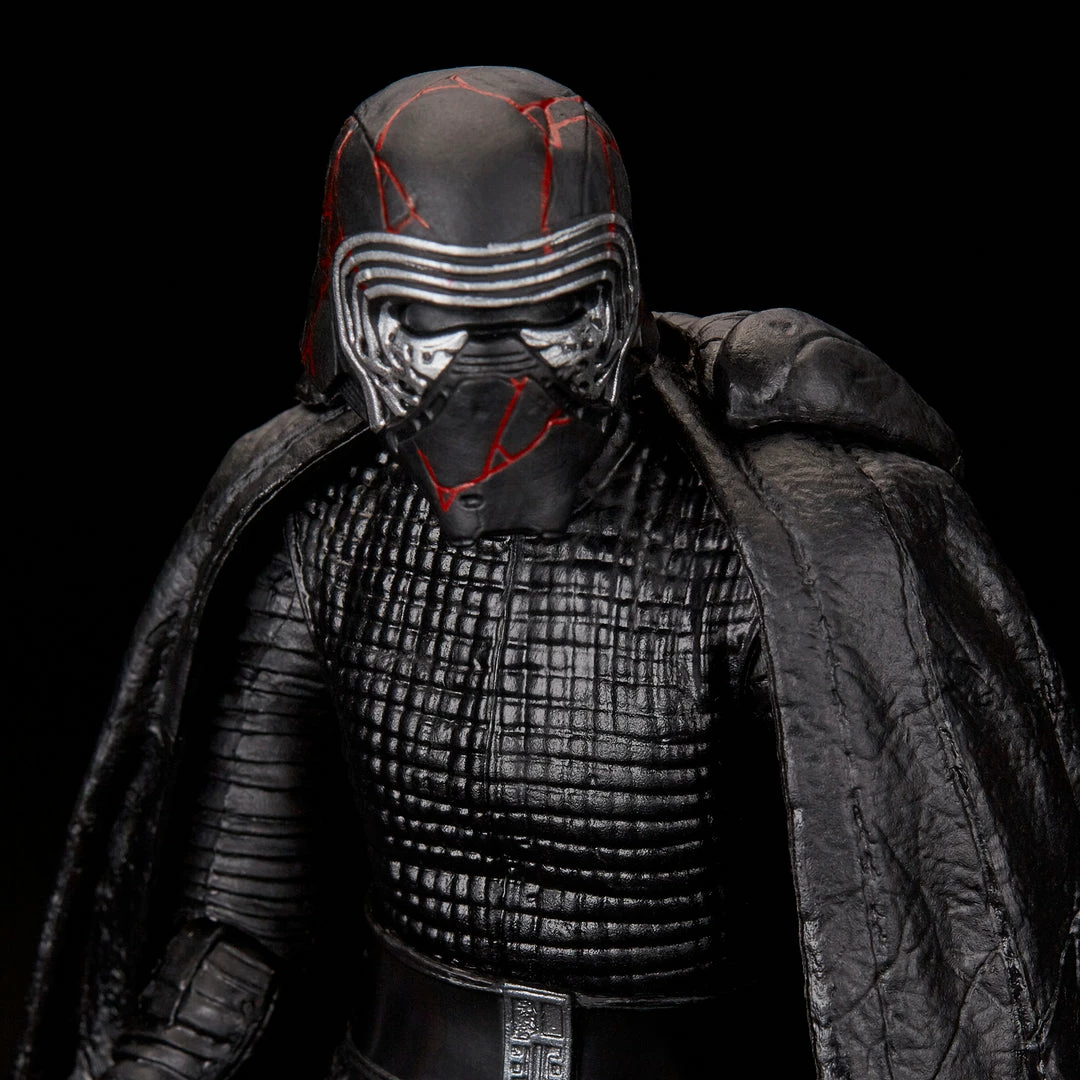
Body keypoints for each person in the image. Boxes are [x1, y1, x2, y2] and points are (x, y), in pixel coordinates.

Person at [16, 66, 1078, 1080]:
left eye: (548, 311)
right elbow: (235, 925)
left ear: (615, 297)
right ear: (353, 312)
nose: (494, 371)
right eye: (432, 319)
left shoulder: (756, 546)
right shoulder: (326, 528)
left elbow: (892, 919)